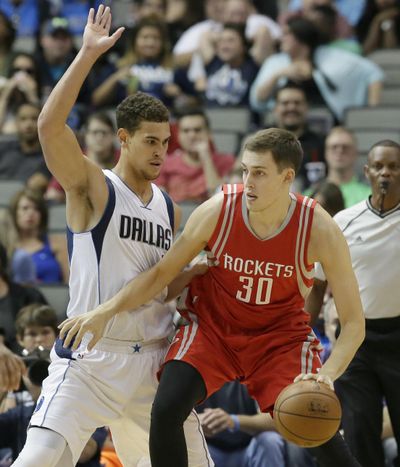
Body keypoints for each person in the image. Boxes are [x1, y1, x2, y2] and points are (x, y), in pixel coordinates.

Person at [60, 127, 366, 467]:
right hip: (214, 330)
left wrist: (328, 374)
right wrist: (105, 311)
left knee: (315, 424)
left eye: (260, 173)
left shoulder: (319, 228)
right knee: (166, 408)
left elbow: (353, 322)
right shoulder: (219, 209)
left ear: (287, 177)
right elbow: (162, 274)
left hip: (278, 340)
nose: (248, 181)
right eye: (245, 170)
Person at [12, 6, 212, 467]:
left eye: (165, 142)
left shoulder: (168, 206)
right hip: (92, 359)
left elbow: (156, 287)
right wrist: (86, 54)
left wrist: (193, 274)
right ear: (124, 138)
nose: (161, 152)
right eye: (150, 141)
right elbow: (48, 128)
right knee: (38, 460)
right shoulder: (93, 185)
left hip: (153, 367)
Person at [307, 140, 400, 467]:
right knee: (359, 430)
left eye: (393, 166)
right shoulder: (344, 221)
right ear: (367, 172)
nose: (385, 172)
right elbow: (317, 285)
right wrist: (301, 335)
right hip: (355, 336)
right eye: (379, 166)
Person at [197, 380, 286, 467]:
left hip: (247, 448)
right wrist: (196, 421)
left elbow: (274, 419)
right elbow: (184, 416)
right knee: (189, 442)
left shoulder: (254, 372)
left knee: (270, 440)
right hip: (210, 450)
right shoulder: (197, 374)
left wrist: (233, 421)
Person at [156, 109, 235, 203]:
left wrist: (206, 157)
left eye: (197, 130)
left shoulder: (226, 162)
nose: (192, 135)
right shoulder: (165, 163)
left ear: (209, 133)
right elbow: (158, 202)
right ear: (178, 135)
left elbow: (219, 198)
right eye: (186, 131)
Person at [272, 83, 326, 191]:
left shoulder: (322, 142)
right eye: (285, 103)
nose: (292, 107)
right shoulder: (260, 141)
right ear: (276, 108)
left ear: (306, 107)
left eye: (297, 103)